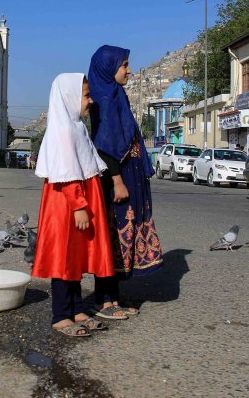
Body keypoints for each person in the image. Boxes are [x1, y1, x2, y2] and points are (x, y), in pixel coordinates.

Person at [32, 73, 116, 337]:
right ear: (69, 97)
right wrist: (79, 204)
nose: (90, 101)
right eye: (86, 95)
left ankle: (77, 309)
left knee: (75, 256)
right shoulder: (63, 130)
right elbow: (65, 170)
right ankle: (60, 315)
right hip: (67, 203)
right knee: (63, 258)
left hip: (78, 199)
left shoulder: (76, 126)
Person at [88, 45, 163, 320]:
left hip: (129, 173)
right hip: (115, 175)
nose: (129, 70)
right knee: (112, 234)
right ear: (109, 68)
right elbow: (105, 146)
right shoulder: (104, 97)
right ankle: (103, 301)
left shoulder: (116, 94)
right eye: (125, 65)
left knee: (123, 234)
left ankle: (112, 297)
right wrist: (118, 180)